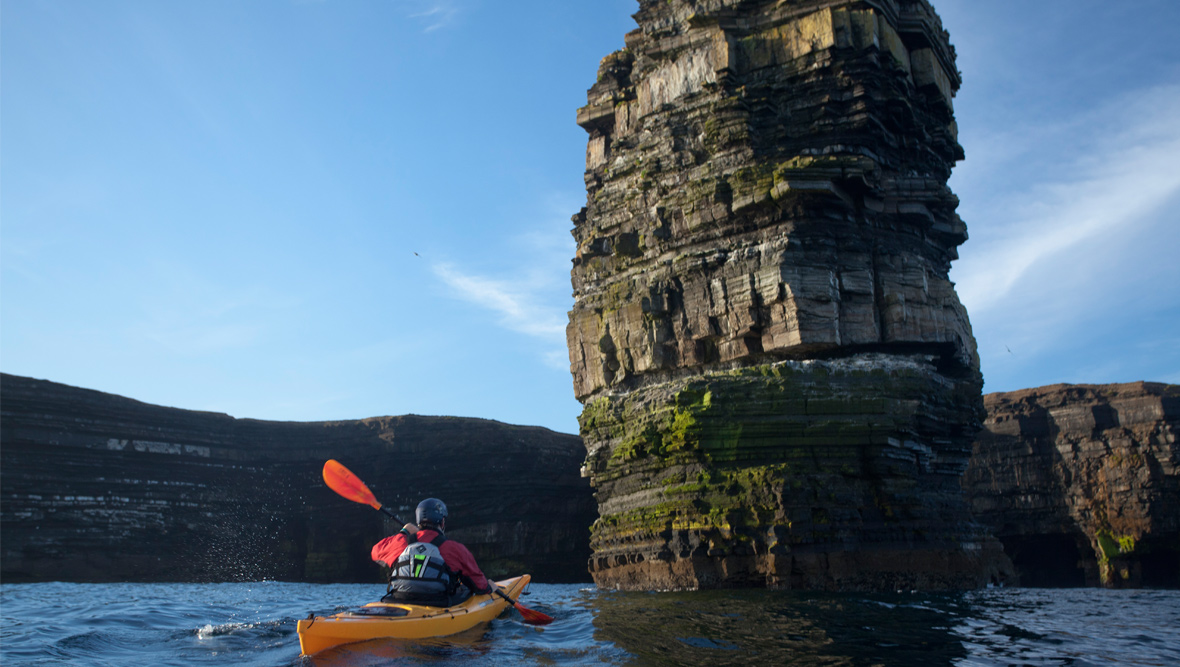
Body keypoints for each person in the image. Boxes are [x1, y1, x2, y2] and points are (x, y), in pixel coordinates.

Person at [371, 497, 496, 606]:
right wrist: (489, 587)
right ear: (442, 522)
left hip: (400, 599)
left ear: (418, 521)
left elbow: (375, 553)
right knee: (466, 589)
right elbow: (479, 586)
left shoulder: (401, 542)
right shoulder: (455, 548)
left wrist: (404, 532)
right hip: (438, 603)